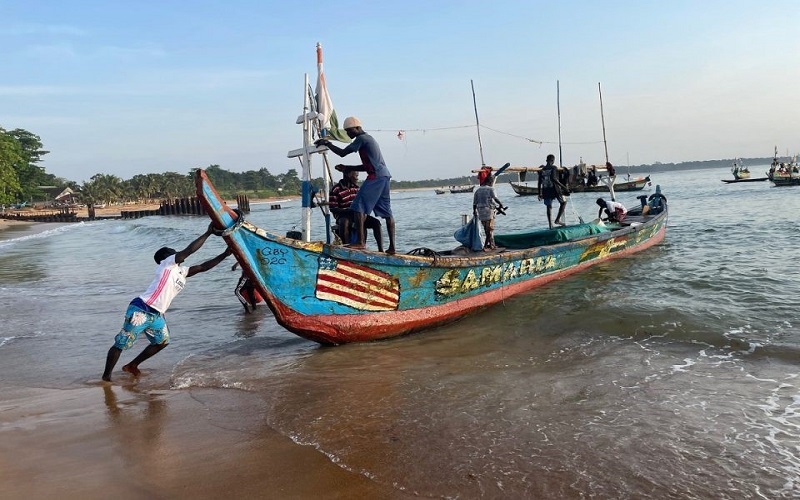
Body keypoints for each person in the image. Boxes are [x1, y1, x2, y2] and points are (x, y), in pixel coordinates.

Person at [101, 225, 231, 382]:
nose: (177, 254)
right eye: (174, 252)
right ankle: (106, 377)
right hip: (141, 309)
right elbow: (189, 250)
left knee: (162, 342)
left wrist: (225, 254)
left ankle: (132, 365)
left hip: (156, 315)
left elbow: (204, 267)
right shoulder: (167, 264)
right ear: (167, 256)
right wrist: (208, 232)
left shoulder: (181, 272)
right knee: (122, 342)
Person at [314, 116, 396, 254]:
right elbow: (367, 166)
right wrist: (347, 167)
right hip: (384, 176)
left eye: (350, 131)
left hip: (375, 176)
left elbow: (342, 153)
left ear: (358, 128)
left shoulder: (362, 139)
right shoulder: (369, 140)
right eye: (346, 132)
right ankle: (392, 248)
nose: (348, 134)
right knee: (387, 213)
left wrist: (327, 143)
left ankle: (360, 243)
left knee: (358, 207)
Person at [329, 168, 383, 251]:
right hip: (343, 215)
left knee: (376, 223)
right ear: (349, 175)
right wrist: (348, 211)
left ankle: (381, 250)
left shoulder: (357, 188)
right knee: (344, 222)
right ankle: (346, 248)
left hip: (357, 215)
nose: (357, 178)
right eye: (356, 175)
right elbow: (333, 208)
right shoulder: (336, 189)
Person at [473, 169, 504, 250]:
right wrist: (501, 204)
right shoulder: (491, 189)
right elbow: (495, 198)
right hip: (489, 211)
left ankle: (492, 245)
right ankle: (486, 246)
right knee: (490, 230)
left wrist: (474, 212)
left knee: (487, 230)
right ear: (490, 182)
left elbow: (474, 203)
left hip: (481, 212)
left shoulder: (478, 190)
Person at [537, 154, 569, 228]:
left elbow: (539, 182)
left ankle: (550, 225)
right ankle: (557, 220)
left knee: (549, 206)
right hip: (555, 189)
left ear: (546, 160)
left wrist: (539, 193)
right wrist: (564, 187)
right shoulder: (553, 168)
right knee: (563, 203)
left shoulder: (542, 169)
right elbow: (554, 179)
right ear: (553, 161)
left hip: (545, 189)